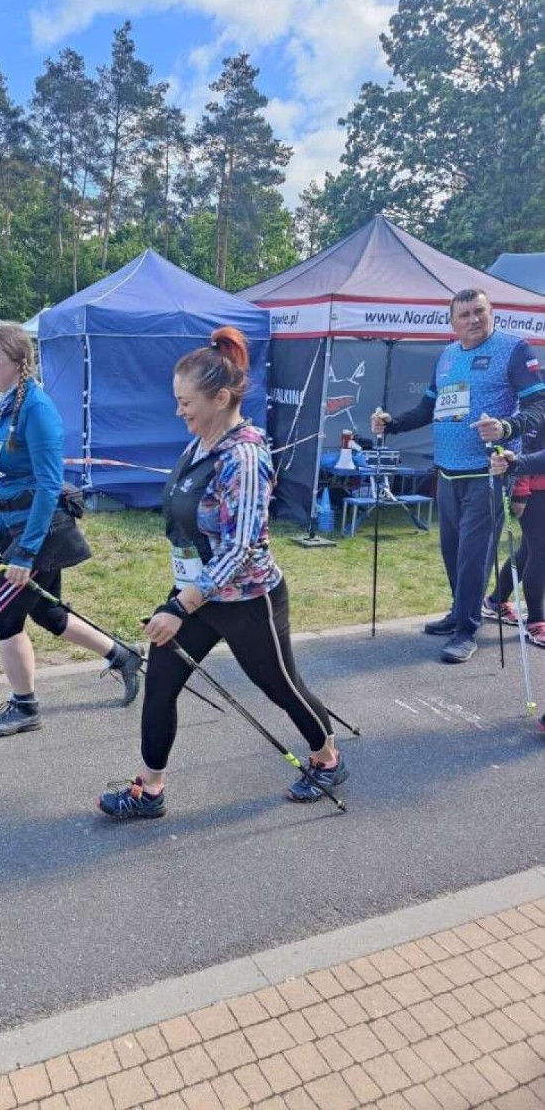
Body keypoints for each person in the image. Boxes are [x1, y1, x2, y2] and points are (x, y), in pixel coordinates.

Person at [98, 326, 345, 820]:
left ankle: (327, 757)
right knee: (162, 681)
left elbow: (241, 548)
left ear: (220, 396)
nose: (178, 410)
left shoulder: (245, 457)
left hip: (247, 599)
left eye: (185, 401)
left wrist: (179, 605)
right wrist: (184, 594)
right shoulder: (199, 444)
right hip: (197, 593)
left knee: (280, 686)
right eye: (177, 400)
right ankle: (150, 790)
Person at [0, 322, 143, 737]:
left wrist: (26, 553)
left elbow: (49, 483)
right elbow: (9, 481)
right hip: (16, 527)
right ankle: (122, 655)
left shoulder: (37, 408)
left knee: (3, 614)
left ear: (18, 361)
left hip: (41, 532)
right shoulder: (7, 405)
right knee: (48, 613)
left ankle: (25, 707)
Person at [372, 289, 545, 664]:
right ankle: (458, 613)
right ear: (452, 321)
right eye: (464, 314)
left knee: (474, 555)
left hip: (487, 472)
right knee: (452, 552)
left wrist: (506, 427)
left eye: (479, 312)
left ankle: (467, 630)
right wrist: (393, 424)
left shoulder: (514, 349)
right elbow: (429, 407)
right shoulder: (448, 355)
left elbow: (539, 404)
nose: (473, 320)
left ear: (492, 312)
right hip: (447, 472)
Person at [487, 424, 545, 648]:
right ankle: (537, 621)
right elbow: (525, 449)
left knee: (527, 551)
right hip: (535, 491)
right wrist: (520, 492)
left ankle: (494, 601)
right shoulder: (539, 407)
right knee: (540, 553)